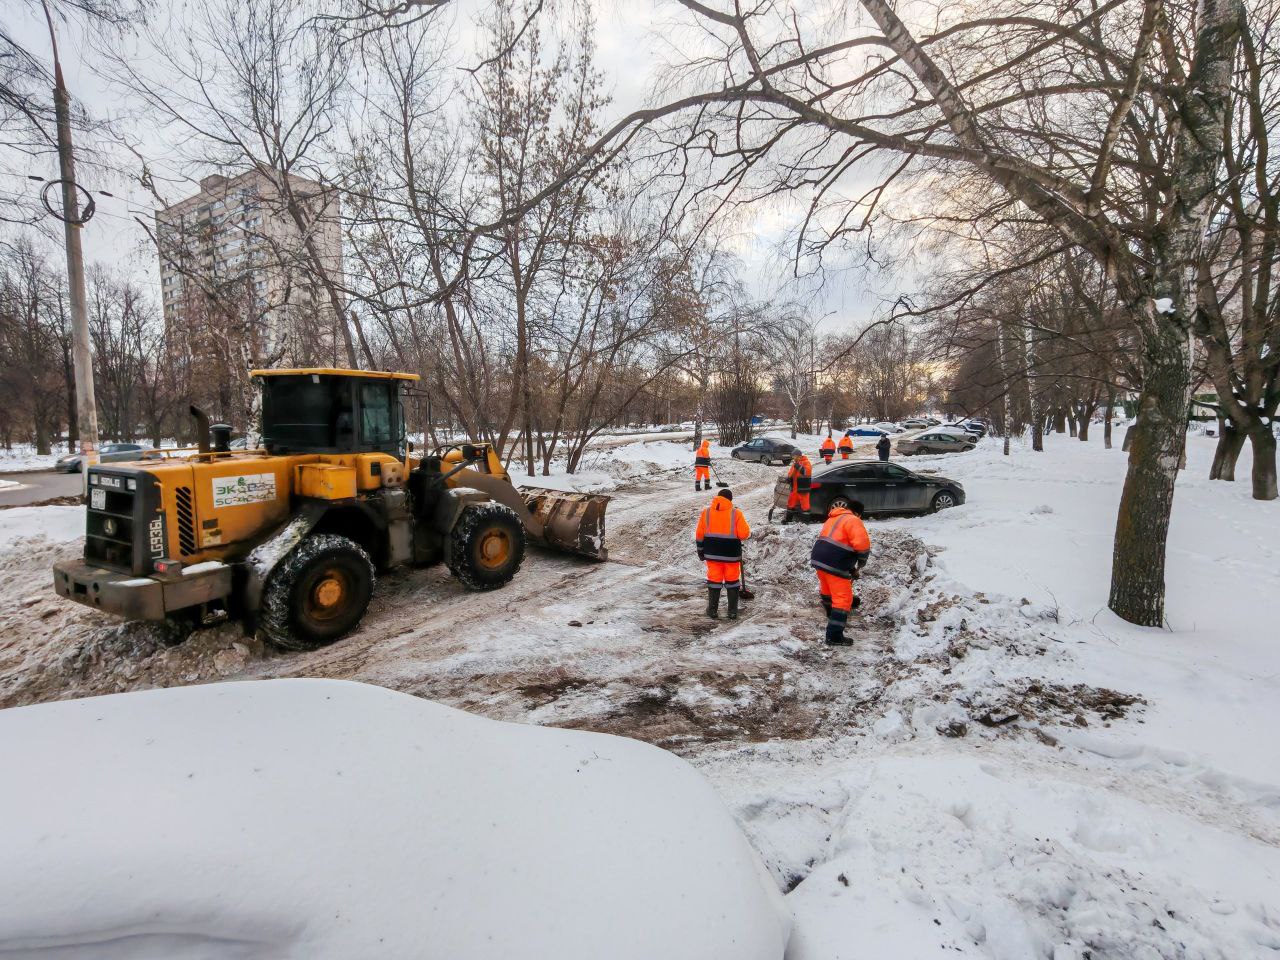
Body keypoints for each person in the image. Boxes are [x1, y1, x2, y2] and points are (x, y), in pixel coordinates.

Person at [809, 500, 871, 645]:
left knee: (827, 587)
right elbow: (862, 545)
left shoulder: (833, 518)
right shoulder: (853, 519)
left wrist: (851, 569)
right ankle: (834, 636)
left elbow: (838, 542)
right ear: (858, 513)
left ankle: (831, 612)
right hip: (835, 561)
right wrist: (861, 562)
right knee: (843, 599)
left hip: (819, 558)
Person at [695, 488, 750, 620]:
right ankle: (732, 612)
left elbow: (699, 534)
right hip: (731, 554)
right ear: (730, 500)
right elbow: (744, 534)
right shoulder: (736, 513)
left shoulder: (706, 513)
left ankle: (712, 610)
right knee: (732, 580)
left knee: (714, 580)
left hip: (712, 554)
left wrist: (700, 550)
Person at [784, 450, 812, 522]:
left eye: (794, 456)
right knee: (791, 503)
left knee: (805, 506)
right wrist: (789, 478)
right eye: (793, 456)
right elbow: (791, 473)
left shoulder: (806, 462)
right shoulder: (795, 463)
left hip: (803, 488)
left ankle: (805, 522)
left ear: (799, 456)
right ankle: (788, 520)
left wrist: (799, 467)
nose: (793, 458)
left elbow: (807, 472)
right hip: (794, 488)